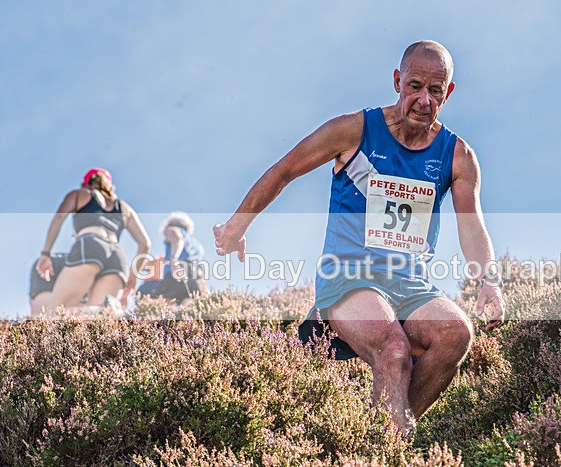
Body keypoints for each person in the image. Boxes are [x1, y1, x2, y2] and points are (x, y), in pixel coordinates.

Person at [213, 40, 505, 436]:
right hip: (349, 277)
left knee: (457, 334)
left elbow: (471, 224)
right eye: (414, 86)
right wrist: (237, 227)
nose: (423, 100)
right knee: (394, 350)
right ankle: (380, 453)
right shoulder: (353, 130)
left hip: (409, 282)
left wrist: (489, 280)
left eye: (435, 91)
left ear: (448, 92)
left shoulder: (458, 155)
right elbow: (284, 170)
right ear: (397, 80)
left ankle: (379, 441)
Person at [33, 167, 151, 315]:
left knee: (56, 312)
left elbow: (58, 218)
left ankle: (106, 311)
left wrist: (46, 253)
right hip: (118, 258)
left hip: (90, 245)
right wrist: (133, 277)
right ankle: (107, 311)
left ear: (85, 182)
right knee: (98, 319)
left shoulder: (80, 195)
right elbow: (145, 244)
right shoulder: (124, 207)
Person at [135, 211, 206, 304]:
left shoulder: (172, 229)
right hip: (196, 277)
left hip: (176, 273)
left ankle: (150, 314)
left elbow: (176, 236)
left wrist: (174, 259)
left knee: (144, 291)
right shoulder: (194, 243)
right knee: (186, 301)